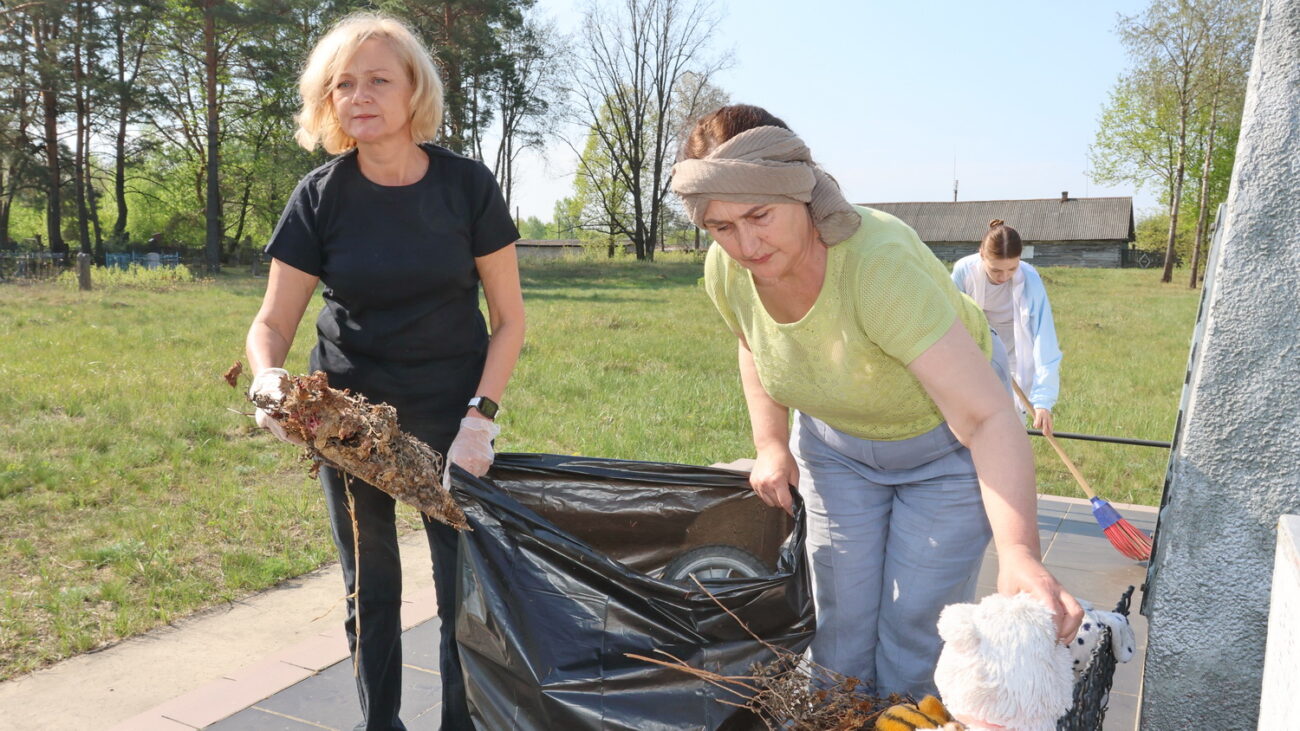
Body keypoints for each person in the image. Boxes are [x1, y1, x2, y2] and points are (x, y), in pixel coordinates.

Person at [671, 104, 1081, 698]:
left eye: (760, 215)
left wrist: (1018, 553)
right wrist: (771, 444)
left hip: (945, 448)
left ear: (801, 192)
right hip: (836, 449)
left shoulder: (877, 266)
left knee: (916, 627)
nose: (746, 244)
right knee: (838, 624)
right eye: (721, 226)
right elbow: (752, 344)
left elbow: (986, 416)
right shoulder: (727, 270)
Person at [244, 13, 523, 730]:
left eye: (378, 80)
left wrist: (480, 419)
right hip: (350, 422)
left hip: (451, 417)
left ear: (413, 91)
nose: (359, 96)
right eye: (343, 84)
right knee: (370, 586)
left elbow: (510, 320)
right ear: (327, 100)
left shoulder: (467, 187)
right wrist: (268, 379)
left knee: (461, 586)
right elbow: (272, 323)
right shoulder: (320, 195)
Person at [951, 221, 1062, 436]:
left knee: (1012, 421)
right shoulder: (964, 271)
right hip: (974, 348)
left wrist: (1043, 401)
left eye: (1012, 268)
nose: (1003, 277)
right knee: (972, 418)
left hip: (1015, 352)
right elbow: (951, 319)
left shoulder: (1030, 279)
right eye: (995, 270)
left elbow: (1044, 338)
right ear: (981, 254)